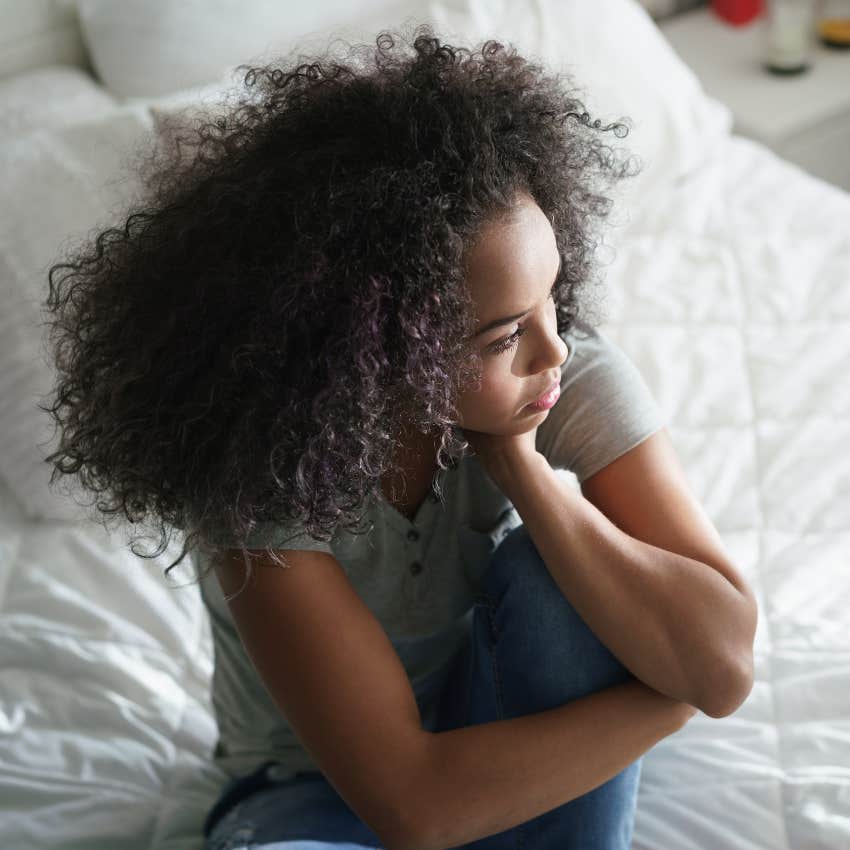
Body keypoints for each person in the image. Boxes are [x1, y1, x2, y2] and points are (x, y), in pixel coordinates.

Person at [39, 24, 704, 850]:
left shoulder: (552, 377)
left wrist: (521, 468)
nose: (555, 348)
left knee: (561, 571)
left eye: (554, 300)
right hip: (308, 789)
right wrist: (669, 699)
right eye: (502, 336)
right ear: (383, 353)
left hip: (493, 723)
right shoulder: (259, 484)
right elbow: (414, 808)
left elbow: (726, 656)